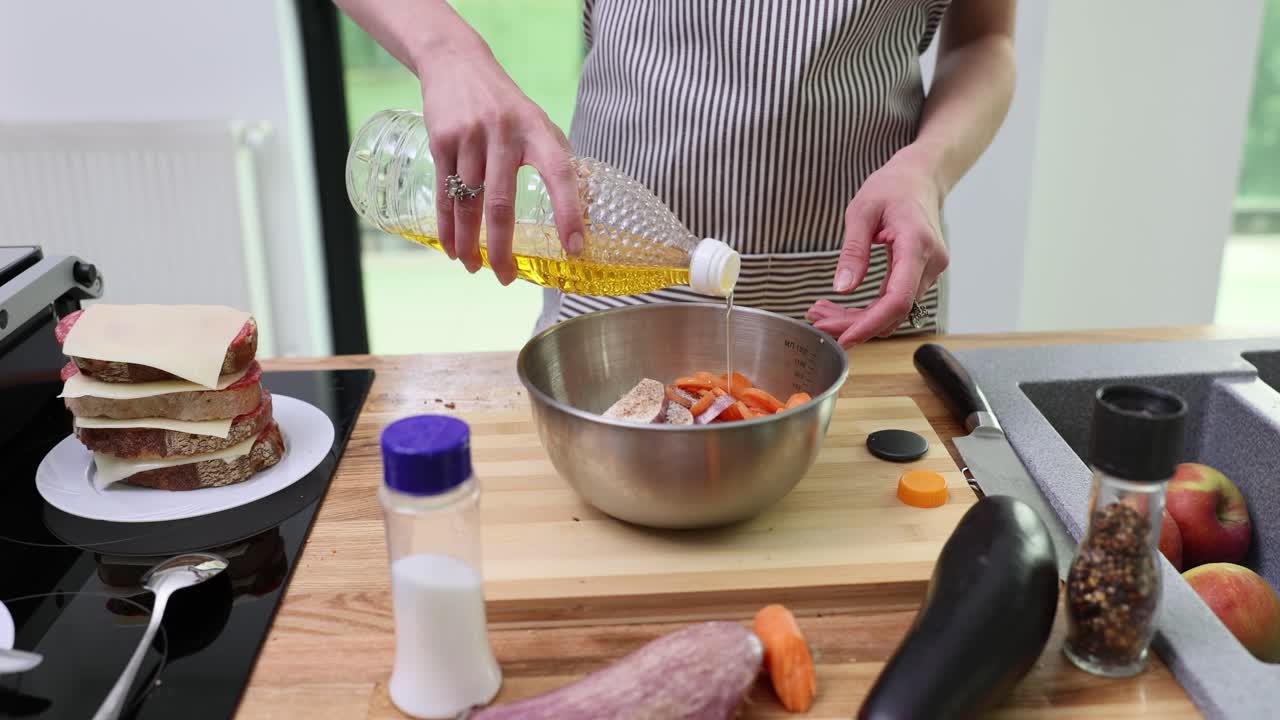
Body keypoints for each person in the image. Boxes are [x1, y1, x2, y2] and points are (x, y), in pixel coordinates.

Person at [335, 0, 1015, 348]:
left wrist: (929, 168)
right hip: (613, 284)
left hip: (861, 303)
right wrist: (445, 47)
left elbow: (987, 35)